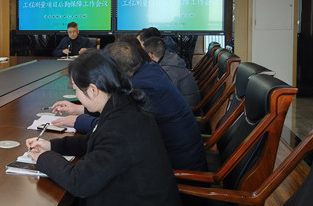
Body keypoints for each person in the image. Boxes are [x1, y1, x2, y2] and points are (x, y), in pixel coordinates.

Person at [26, 51, 188, 206]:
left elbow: (79, 181)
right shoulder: (124, 106)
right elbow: (95, 140)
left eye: (77, 90)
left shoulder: (120, 126)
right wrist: (52, 145)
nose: (77, 95)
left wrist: (43, 157)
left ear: (92, 90)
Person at [51, 40, 207, 171]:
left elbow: (118, 129)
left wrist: (79, 121)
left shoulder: (141, 89)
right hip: (182, 156)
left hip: (179, 170)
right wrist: (80, 109)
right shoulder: (150, 70)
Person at [143, 36, 201, 106]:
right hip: (186, 102)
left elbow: (165, 95)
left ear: (150, 55)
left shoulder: (169, 70)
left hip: (187, 108)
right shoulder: (171, 59)